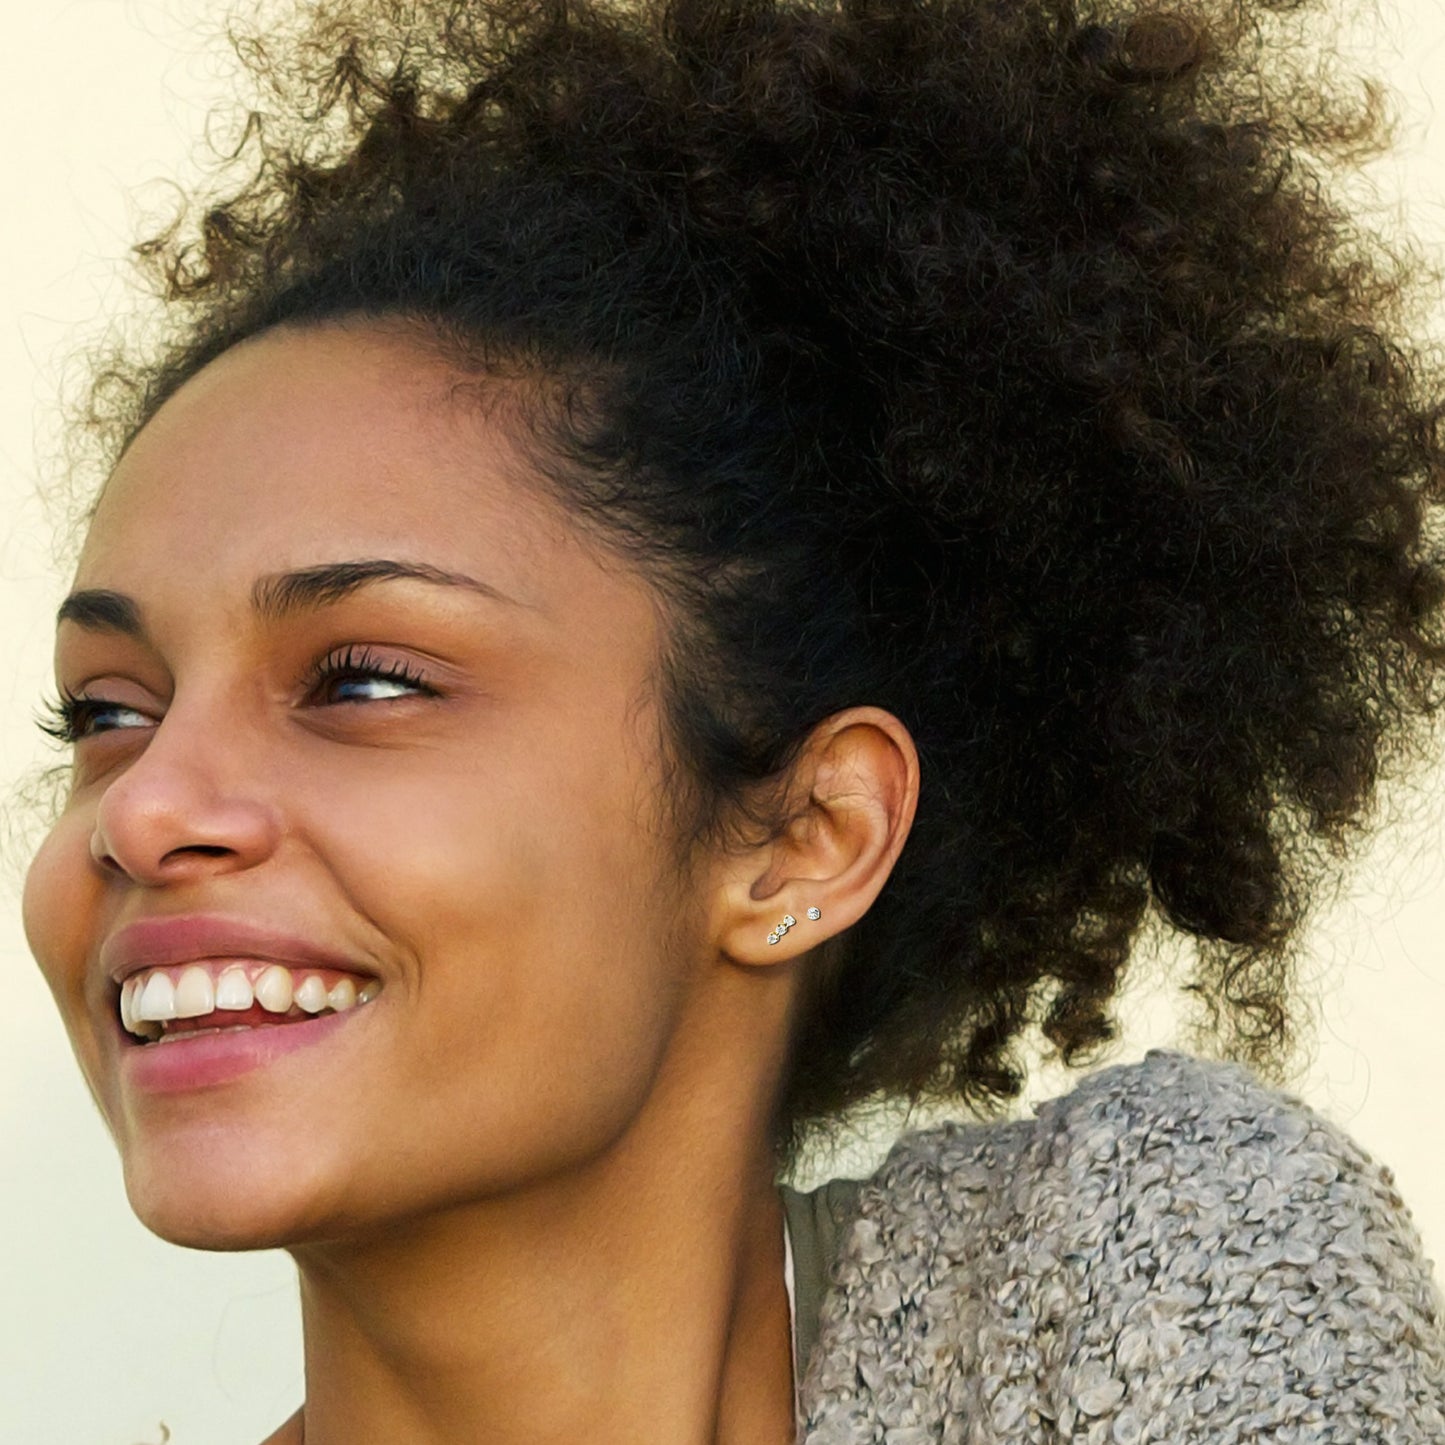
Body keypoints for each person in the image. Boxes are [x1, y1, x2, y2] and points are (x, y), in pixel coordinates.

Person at [21, 0, 1445, 1439]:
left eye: (364, 680)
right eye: (109, 710)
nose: (141, 810)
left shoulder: (1125, 1275)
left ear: (804, 838)